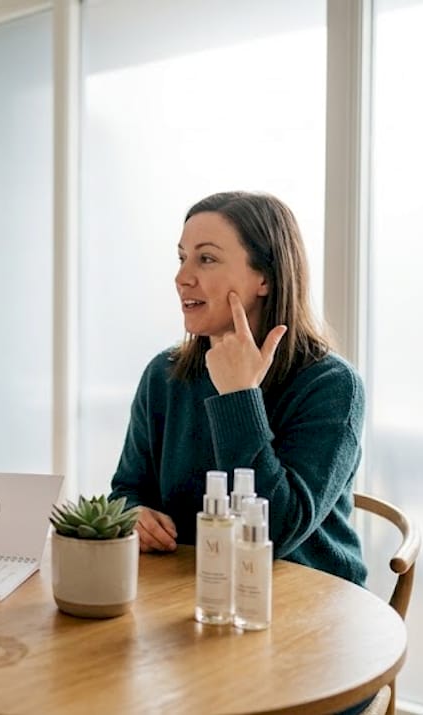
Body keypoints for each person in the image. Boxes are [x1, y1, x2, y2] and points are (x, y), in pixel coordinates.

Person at [109, 191, 367, 587]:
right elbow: (127, 489)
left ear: (265, 277)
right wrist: (134, 514)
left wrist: (238, 398)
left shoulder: (331, 385)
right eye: (182, 258)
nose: (182, 278)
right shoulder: (164, 375)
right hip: (193, 593)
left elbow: (275, 531)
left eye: (206, 259)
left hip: (307, 606)